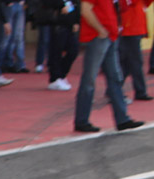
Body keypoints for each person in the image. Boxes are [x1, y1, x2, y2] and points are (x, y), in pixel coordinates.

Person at [72, 0, 143, 132]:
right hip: (100, 36)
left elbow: (123, 8)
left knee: (114, 77)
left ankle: (122, 119)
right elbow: (86, 10)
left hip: (109, 35)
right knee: (90, 79)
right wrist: (100, 30)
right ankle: (82, 120)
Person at [116, 0, 151, 101]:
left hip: (135, 25)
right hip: (129, 26)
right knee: (133, 61)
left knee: (127, 62)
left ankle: (115, 89)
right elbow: (125, 4)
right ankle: (140, 91)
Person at [38, 0, 76, 90]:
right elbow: (46, 3)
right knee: (56, 51)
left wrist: (76, 20)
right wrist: (61, 5)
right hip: (57, 23)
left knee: (73, 50)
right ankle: (55, 78)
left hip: (69, 22)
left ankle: (61, 74)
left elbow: (75, 4)